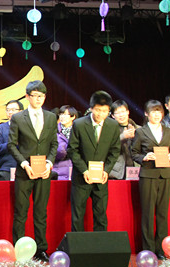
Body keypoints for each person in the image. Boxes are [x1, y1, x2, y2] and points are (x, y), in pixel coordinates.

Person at [8, 81, 58, 259]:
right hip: (24, 171)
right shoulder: (18, 117)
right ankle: (19, 248)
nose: (38, 99)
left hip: (44, 172)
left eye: (41, 96)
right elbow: (11, 145)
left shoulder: (51, 117)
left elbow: (54, 144)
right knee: (21, 211)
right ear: (27, 96)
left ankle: (41, 248)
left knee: (41, 212)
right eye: (34, 96)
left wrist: (49, 163)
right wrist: (24, 164)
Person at [67, 91, 121, 232]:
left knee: (101, 216)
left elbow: (115, 151)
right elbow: (72, 150)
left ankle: (100, 245)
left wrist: (106, 170)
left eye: (104, 111)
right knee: (77, 216)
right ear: (91, 108)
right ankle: (78, 245)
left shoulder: (113, 125)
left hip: (101, 178)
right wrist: (84, 170)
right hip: (81, 177)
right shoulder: (79, 124)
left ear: (109, 111)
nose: (100, 114)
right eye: (97, 110)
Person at [131, 100, 170, 257]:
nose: (157, 115)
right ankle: (149, 248)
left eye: (159, 112)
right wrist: (144, 157)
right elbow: (134, 153)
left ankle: (161, 249)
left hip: (165, 174)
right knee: (148, 213)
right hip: (148, 174)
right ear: (146, 114)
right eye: (153, 112)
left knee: (163, 213)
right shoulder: (141, 132)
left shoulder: (169, 131)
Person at [109, 100, 139, 180]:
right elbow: (106, 147)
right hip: (116, 172)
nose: (121, 115)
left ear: (128, 112)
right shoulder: (109, 130)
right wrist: (122, 137)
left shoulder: (139, 129)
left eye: (123, 112)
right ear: (112, 115)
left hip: (136, 169)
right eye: (117, 113)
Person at [0, 100, 23, 180]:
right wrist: (12, 144)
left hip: (25, 167)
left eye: (13, 110)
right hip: (6, 168)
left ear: (21, 111)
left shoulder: (27, 127)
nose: (10, 112)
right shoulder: (1, 128)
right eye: (8, 110)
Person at [53, 105, 77, 180]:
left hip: (73, 168)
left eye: (65, 114)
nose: (62, 117)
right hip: (57, 168)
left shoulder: (78, 131)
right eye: (61, 114)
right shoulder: (53, 130)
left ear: (73, 117)